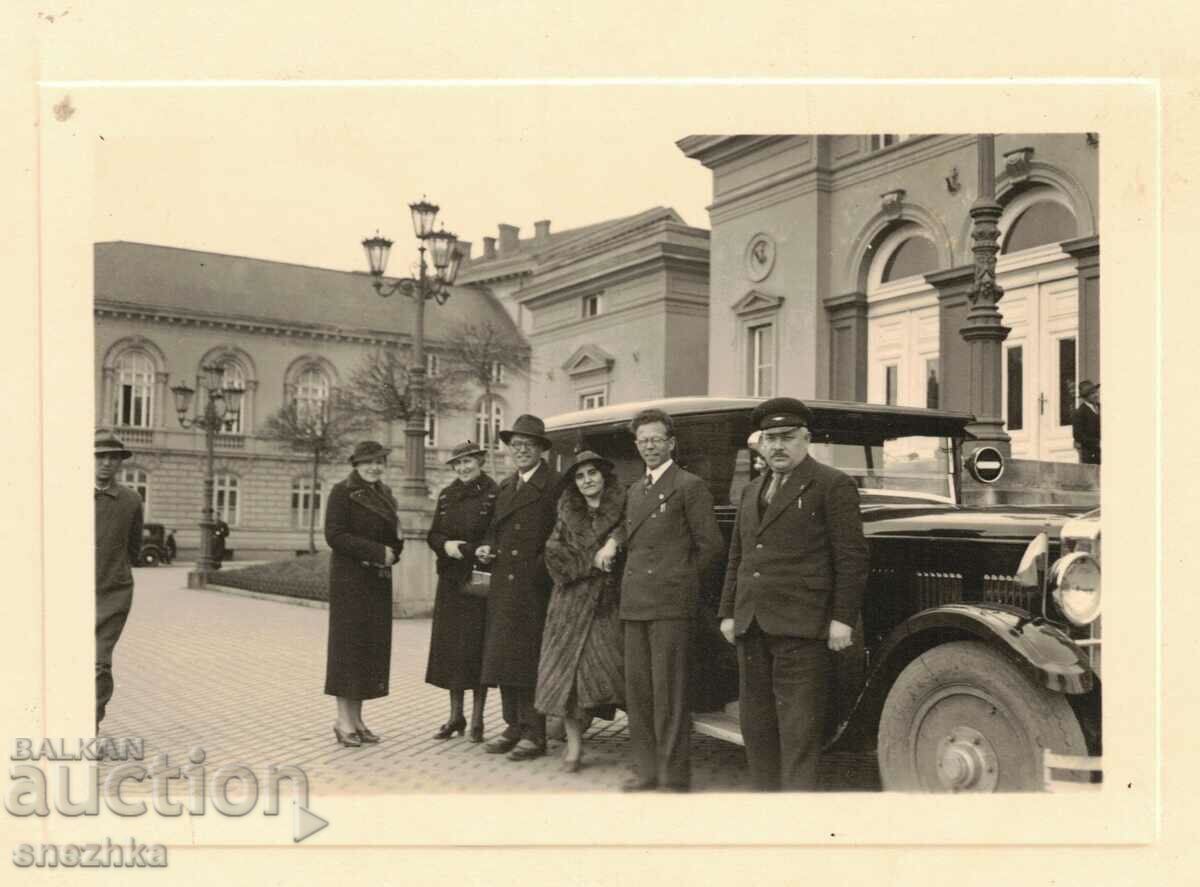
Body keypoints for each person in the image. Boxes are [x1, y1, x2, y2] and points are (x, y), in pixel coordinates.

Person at [718, 397, 869, 791]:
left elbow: (851, 558)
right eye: (770, 438)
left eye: (787, 437)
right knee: (757, 725)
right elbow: (739, 555)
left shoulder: (832, 485)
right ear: (760, 443)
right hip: (752, 624)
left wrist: (842, 619)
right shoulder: (752, 490)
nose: (777, 446)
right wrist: (728, 613)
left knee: (799, 729)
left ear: (806, 439)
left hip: (803, 626)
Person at [596, 408, 724, 792]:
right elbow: (629, 527)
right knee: (639, 694)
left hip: (670, 606)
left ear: (671, 443)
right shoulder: (637, 489)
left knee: (668, 694)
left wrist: (679, 583)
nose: (649, 446)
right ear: (637, 446)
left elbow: (711, 547)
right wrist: (613, 541)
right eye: (643, 440)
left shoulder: (689, 486)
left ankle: (673, 777)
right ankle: (647, 771)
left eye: (656, 439)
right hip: (635, 604)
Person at [474, 415, 560, 762]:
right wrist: (487, 547)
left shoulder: (554, 484)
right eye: (516, 446)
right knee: (504, 656)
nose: (521, 451)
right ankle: (513, 724)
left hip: (534, 585)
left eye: (528, 445)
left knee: (529, 660)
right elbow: (494, 529)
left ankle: (534, 732)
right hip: (504, 582)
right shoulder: (506, 486)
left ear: (540, 449)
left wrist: (539, 570)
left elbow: (559, 535)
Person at [535, 450, 627, 773]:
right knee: (569, 679)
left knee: (619, 672)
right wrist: (592, 560)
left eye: (592, 473)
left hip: (609, 605)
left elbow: (632, 532)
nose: (587, 480)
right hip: (569, 605)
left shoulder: (624, 506)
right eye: (580, 476)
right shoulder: (566, 512)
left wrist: (614, 542)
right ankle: (574, 747)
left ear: (604, 476)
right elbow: (553, 554)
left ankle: (643, 746)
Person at [324, 440, 404, 747]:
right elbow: (334, 535)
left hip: (377, 581)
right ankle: (342, 721)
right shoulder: (342, 492)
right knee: (348, 651)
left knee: (368, 652)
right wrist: (376, 551)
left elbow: (395, 536)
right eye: (368, 462)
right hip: (350, 582)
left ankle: (357, 720)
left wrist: (393, 553)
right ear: (356, 464)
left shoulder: (384, 494)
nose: (375, 467)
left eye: (379, 462)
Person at [425, 441, 498, 742]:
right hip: (451, 580)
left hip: (480, 577)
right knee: (452, 648)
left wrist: (473, 549)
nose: (463, 468)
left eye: (468, 462)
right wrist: (445, 546)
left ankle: (479, 720)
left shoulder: (494, 493)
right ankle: (456, 717)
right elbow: (434, 533)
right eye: (457, 464)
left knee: (476, 647)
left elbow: (494, 535)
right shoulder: (447, 495)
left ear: (480, 461)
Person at [95, 431, 144, 734]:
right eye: (100, 456)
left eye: (114, 458)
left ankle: (91, 723)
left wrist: (117, 571)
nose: (107, 463)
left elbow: (134, 548)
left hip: (112, 593)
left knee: (99, 662)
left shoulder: (131, 500)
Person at [1072, 380, 1101, 465]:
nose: (1096, 395)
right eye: (1092, 394)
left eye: (1096, 392)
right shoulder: (1080, 412)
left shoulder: (1101, 407)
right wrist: (1097, 443)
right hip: (1090, 453)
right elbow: (1078, 435)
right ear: (1085, 397)